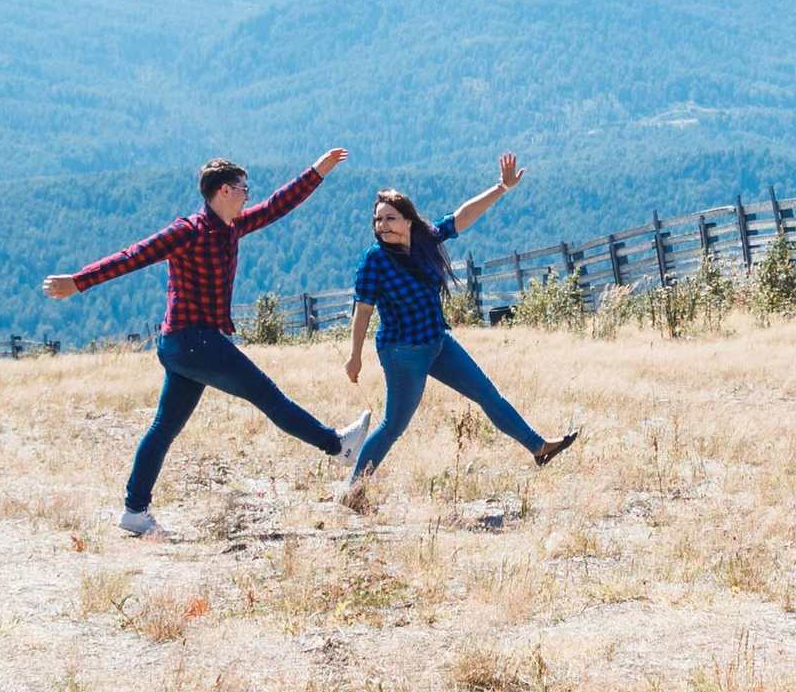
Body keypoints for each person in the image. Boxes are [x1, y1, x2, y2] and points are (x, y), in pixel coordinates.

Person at [45, 151, 370, 535]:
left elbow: (279, 205)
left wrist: (319, 170)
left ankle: (135, 511)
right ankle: (336, 446)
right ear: (223, 190)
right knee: (267, 395)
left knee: (164, 427)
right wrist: (79, 282)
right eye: (244, 189)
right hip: (192, 341)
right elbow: (134, 256)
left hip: (183, 344)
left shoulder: (232, 226)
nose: (249, 196)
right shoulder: (188, 231)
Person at [342, 152, 578, 500]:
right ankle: (353, 490)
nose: (382, 226)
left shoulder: (424, 239)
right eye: (377, 221)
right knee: (393, 426)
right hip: (402, 353)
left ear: (408, 220)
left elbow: (462, 216)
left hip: (437, 342)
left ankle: (538, 447)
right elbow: (362, 311)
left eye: (390, 219)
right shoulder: (373, 261)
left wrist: (501, 187)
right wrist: (355, 356)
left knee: (487, 394)